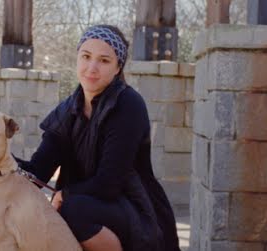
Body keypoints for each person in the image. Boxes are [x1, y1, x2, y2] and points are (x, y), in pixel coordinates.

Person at [15, 24, 180, 251]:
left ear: (117, 67)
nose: (92, 67)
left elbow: (109, 183)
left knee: (73, 209)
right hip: (87, 204)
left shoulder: (128, 104)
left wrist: (66, 194)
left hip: (136, 212)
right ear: (77, 59)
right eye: (86, 56)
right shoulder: (67, 111)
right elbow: (38, 172)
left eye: (104, 60)